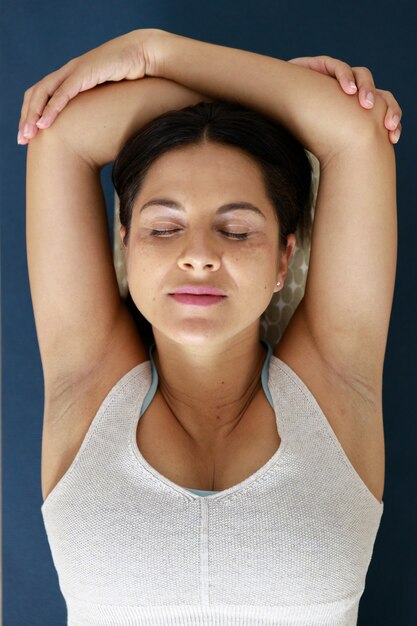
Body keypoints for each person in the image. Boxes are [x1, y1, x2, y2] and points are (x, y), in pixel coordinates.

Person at [20, 29, 400, 625]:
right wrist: (271, 99)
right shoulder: (86, 380)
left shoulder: (335, 383)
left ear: (284, 257)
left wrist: (154, 52)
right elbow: (60, 136)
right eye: (164, 229)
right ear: (124, 244)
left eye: (237, 229)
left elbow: (357, 132)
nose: (198, 255)